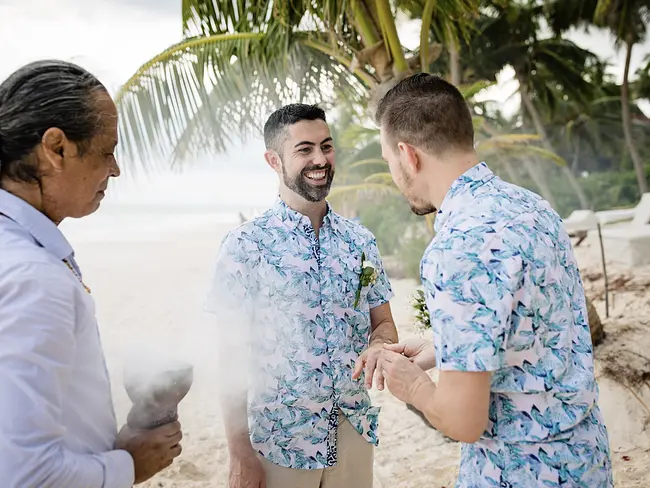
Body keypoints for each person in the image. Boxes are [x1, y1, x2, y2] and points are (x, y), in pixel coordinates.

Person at [374, 73, 613, 487]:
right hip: (585, 460)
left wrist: (414, 386)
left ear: (407, 155)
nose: (394, 174)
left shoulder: (455, 247)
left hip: (519, 472)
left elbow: (463, 420)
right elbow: (537, 330)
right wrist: (441, 350)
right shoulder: (531, 207)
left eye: (388, 162)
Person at [0, 60, 183, 487]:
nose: (115, 169)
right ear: (56, 147)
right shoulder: (33, 279)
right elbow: (25, 475)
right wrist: (128, 467)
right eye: (107, 149)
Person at [205, 103, 398, 488]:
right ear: (273, 160)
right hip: (280, 443)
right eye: (304, 149)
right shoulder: (244, 246)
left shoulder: (360, 241)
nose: (320, 159)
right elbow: (229, 358)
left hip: (354, 432)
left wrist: (379, 345)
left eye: (326, 147)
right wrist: (239, 452)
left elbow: (385, 324)